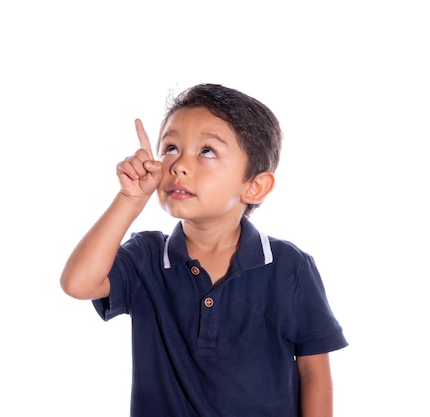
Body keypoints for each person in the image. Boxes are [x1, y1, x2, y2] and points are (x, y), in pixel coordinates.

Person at [60, 83, 348, 417]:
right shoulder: (146, 256)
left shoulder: (290, 267)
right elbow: (77, 283)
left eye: (207, 151)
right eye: (170, 148)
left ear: (254, 186)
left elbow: (314, 371)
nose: (179, 165)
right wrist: (130, 200)